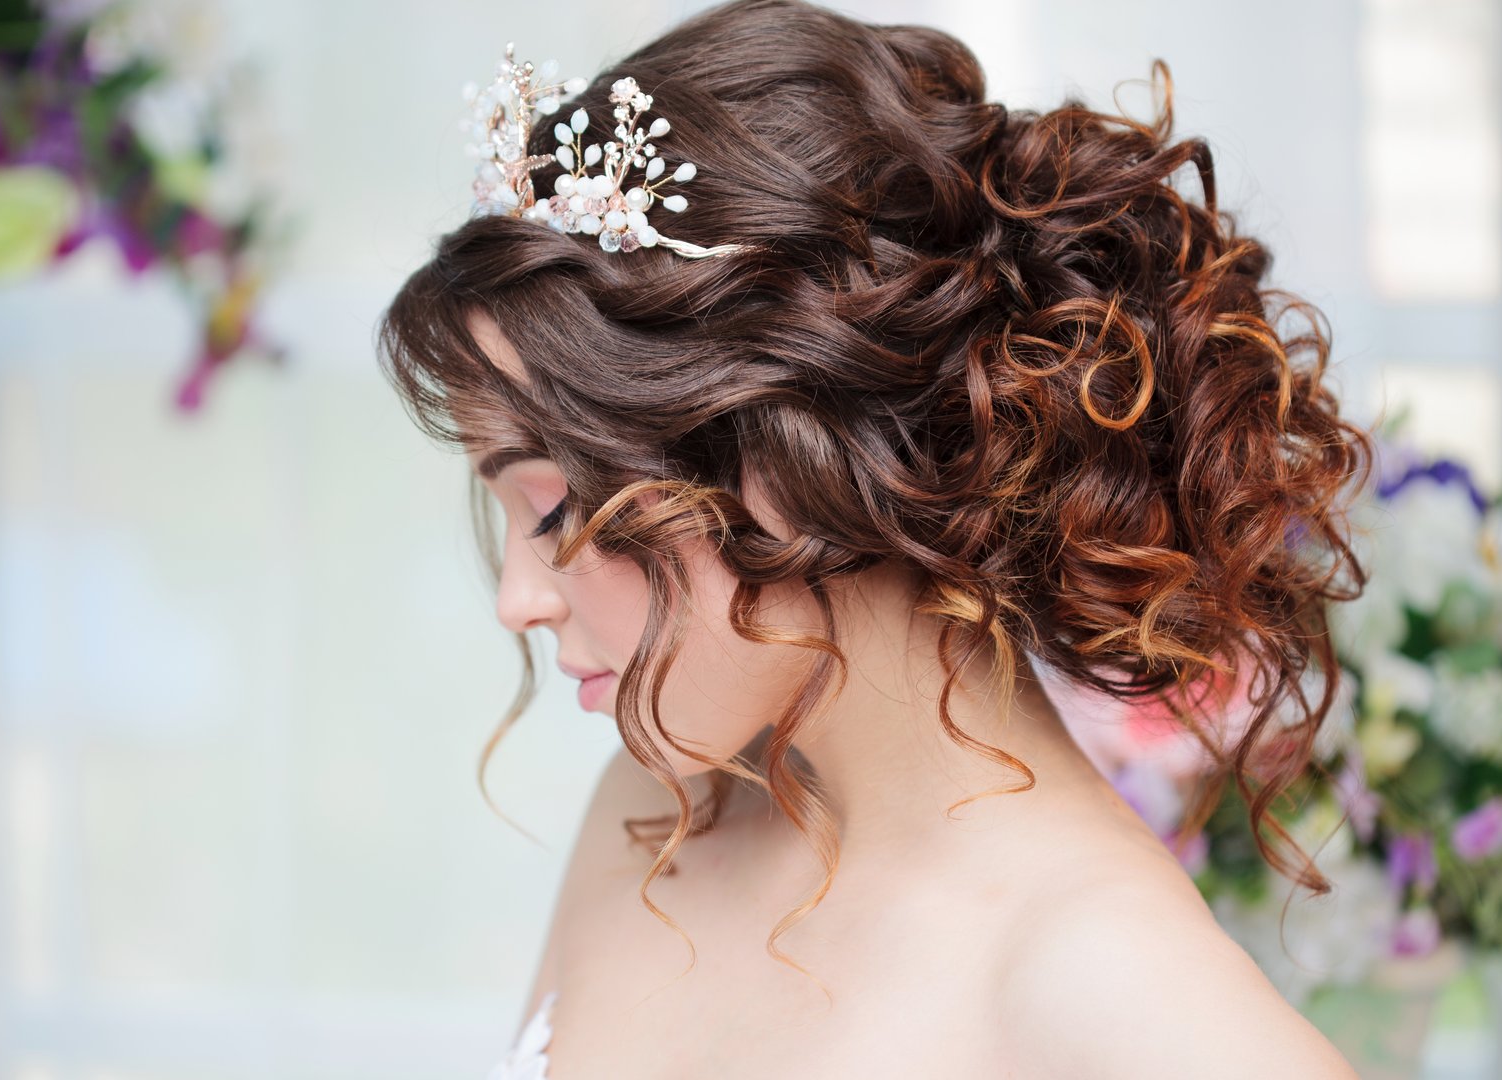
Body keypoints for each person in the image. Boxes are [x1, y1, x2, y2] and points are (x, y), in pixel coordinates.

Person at [378, 1, 1375, 1075]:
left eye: (552, 510)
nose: (517, 600)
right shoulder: (659, 815)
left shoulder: (1122, 996)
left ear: (787, 460)